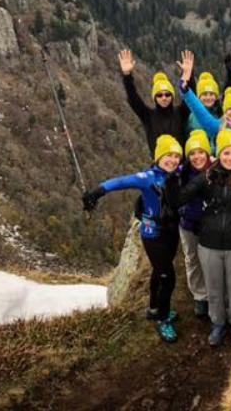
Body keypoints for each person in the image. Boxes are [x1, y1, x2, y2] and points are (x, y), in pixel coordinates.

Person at [165, 130, 231, 348]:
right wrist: (171, 179)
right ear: (219, 154)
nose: (230, 158)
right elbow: (179, 199)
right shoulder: (206, 178)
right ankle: (218, 323)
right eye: (226, 153)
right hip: (209, 245)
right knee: (214, 288)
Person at [82, 135, 184, 343]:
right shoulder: (147, 178)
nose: (172, 160)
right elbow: (121, 182)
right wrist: (97, 193)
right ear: (158, 157)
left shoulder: (178, 174)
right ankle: (163, 319)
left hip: (171, 231)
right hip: (153, 233)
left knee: (159, 270)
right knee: (168, 277)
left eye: (176, 156)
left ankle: (154, 308)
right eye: (168, 156)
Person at [118, 49, 189, 152]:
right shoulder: (148, 116)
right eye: (159, 95)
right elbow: (133, 99)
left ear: (172, 96)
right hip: (159, 165)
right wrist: (127, 75)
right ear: (155, 98)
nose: (164, 98)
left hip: (180, 165)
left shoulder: (181, 113)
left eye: (167, 94)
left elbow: (191, 97)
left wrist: (189, 76)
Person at [178, 130, 213, 318]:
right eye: (192, 153)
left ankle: (214, 294)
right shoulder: (182, 172)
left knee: (211, 260)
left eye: (200, 152)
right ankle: (200, 296)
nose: (197, 156)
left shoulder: (217, 168)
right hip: (189, 224)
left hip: (211, 224)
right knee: (192, 259)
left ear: (207, 152)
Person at [185, 72, 222, 138]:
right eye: (204, 94)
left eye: (211, 94)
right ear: (199, 97)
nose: (208, 98)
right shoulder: (193, 116)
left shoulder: (221, 113)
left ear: (216, 97)